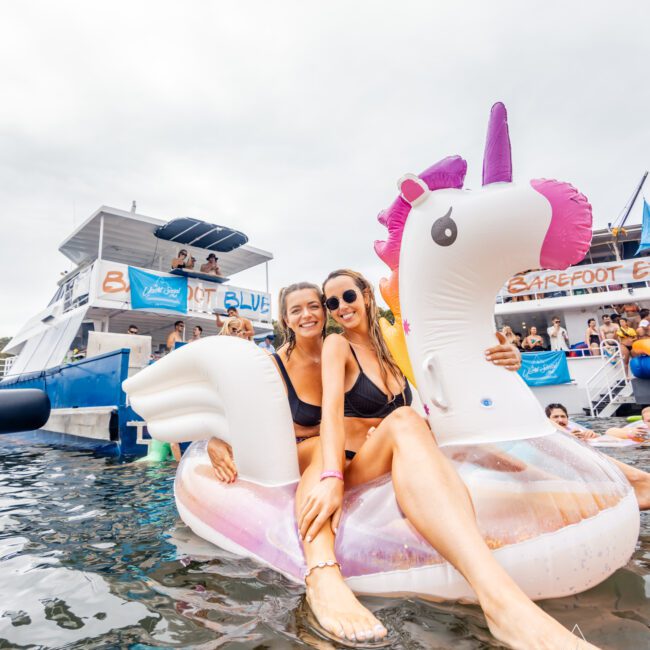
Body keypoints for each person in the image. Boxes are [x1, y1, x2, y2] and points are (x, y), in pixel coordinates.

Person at [295, 269, 591, 648]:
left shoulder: (391, 347)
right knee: (405, 418)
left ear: (366, 295)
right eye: (332, 303)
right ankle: (502, 603)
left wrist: (508, 357)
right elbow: (331, 412)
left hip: (391, 455)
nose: (340, 308)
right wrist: (333, 476)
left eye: (348, 297)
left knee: (440, 430)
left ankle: (559, 487)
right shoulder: (337, 345)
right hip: (355, 463)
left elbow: (456, 373)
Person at [545, 403, 650, 510]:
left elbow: (601, 436)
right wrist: (630, 433)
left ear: (567, 418)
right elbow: (610, 432)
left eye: (563, 416)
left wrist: (592, 435)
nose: (560, 420)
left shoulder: (578, 431)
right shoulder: (640, 430)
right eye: (556, 417)